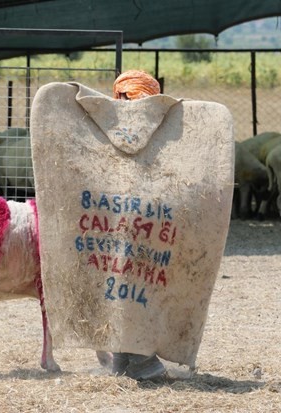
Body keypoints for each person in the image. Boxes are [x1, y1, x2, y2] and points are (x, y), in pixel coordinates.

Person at [109, 69, 167, 381]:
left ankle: (139, 360)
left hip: (147, 223)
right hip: (117, 222)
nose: (129, 104)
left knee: (134, 285)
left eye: (135, 98)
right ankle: (125, 360)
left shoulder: (159, 133)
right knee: (122, 286)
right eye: (124, 97)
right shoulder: (111, 130)